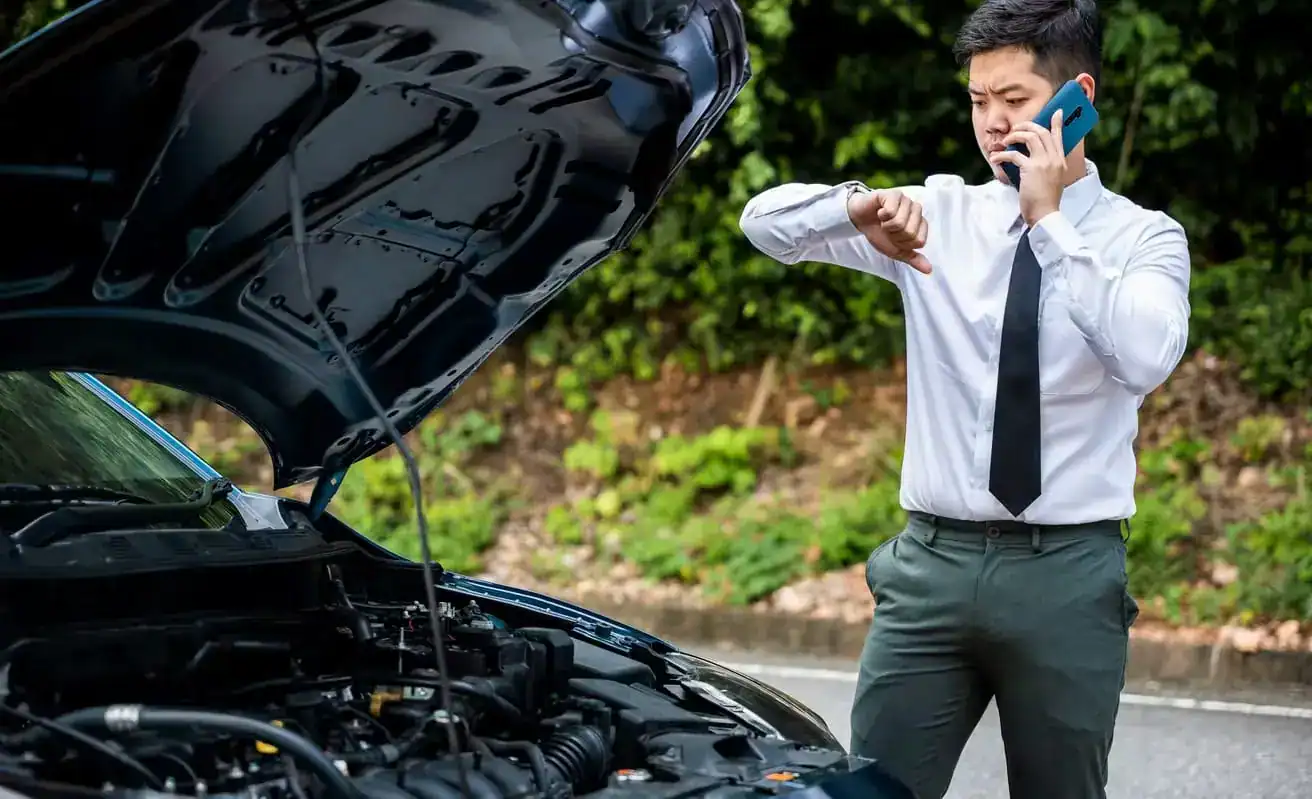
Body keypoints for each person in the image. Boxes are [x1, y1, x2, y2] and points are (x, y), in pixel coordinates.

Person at [737, 1, 1191, 797]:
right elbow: (763, 224)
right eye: (978, 101)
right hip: (931, 567)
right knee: (867, 788)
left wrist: (1047, 220)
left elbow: (1145, 356)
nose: (990, 123)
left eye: (1013, 100)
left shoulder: (1142, 237)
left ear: (1074, 96)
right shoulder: (938, 213)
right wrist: (857, 209)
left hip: (1068, 571)